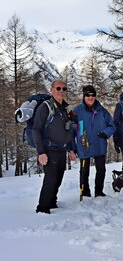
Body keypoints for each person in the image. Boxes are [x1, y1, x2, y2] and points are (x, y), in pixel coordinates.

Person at [33, 80, 77, 214]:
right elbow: (36, 130)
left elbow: (68, 130)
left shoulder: (64, 108)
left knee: (58, 177)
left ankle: (52, 201)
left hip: (62, 149)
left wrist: (71, 149)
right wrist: (41, 152)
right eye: (58, 88)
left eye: (64, 89)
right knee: (50, 179)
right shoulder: (45, 107)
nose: (61, 91)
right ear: (51, 90)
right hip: (49, 149)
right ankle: (43, 208)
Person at [72, 85, 115, 198]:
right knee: (84, 171)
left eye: (92, 95)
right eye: (88, 95)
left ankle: (99, 191)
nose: (90, 97)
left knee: (101, 170)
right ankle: (85, 191)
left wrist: (105, 133)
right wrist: (72, 147)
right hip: (84, 145)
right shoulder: (76, 111)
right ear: (84, 96)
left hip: (99, 144)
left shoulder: (102, 111)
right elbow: (71, 130)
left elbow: (112, 125)